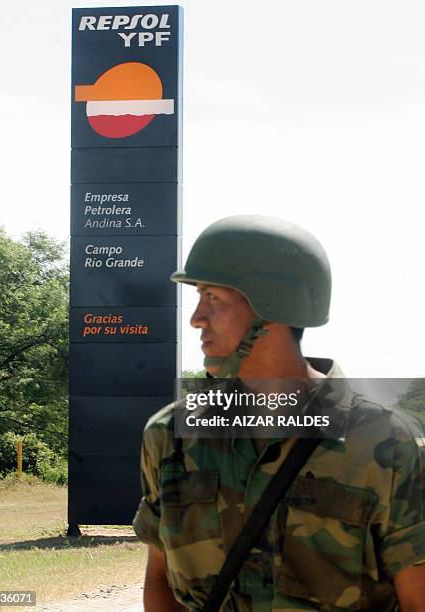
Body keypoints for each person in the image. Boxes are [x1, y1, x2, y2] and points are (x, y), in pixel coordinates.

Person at [133, 215, 425, 611]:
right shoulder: (170, 435)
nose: (196, 318)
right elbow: (160, 576)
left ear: (272, 304)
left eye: (212, 297)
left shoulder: (388, 444)